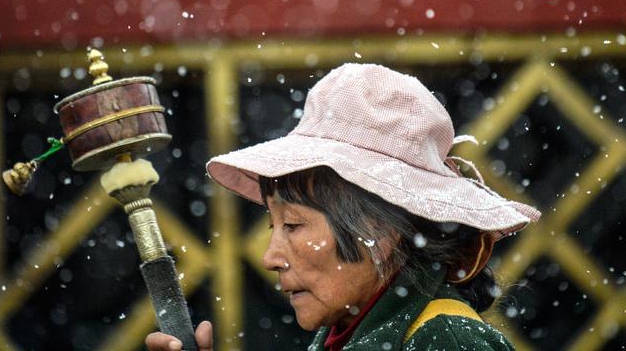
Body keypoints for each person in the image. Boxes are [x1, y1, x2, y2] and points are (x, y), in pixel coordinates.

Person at [147, 63, 540, 351]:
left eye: (294, 225)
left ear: (380, 230)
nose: (270, 257)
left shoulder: (444, 339)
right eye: (273, 225)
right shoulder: (349, 332)